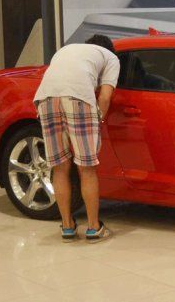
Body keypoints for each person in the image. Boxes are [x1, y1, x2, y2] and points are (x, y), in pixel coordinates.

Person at [34, 34, 120, 242]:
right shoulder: (110, 57)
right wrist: (97, 120)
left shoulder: (66, 50)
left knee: (60, 167)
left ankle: (67, 226)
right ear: (109, 49)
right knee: (86, 167)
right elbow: (105, 96)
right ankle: (93, 227)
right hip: (78, 98)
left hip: (45, 99)